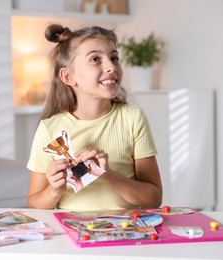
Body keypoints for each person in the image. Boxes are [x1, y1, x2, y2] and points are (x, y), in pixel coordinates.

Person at [26, 24, 162, 211]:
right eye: (95, 59)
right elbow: (34, 203)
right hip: (71, 233)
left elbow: (153, 199)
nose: (111, 66)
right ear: (68, 76)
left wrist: (107, 174)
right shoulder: (49, 128)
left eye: (114, 58)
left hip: (126, 231)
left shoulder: (132, 118)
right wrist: (54, 191)